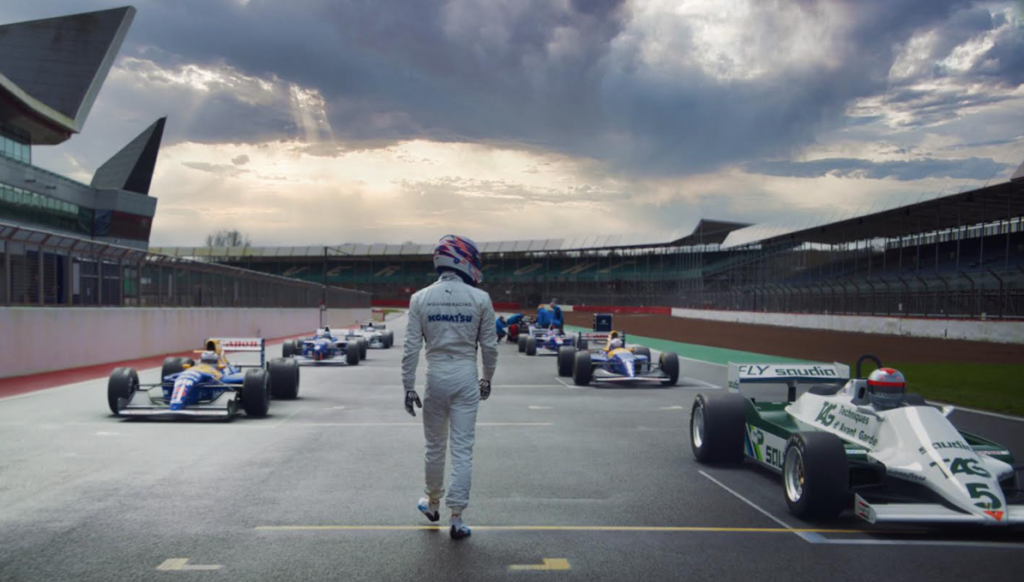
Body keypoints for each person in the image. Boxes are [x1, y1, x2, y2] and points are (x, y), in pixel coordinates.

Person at [402, 234, 499, 540]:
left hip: (436, 378)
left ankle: (432, 505)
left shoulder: (419, 298)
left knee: (434, 448)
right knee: (462, 450)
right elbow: (490, 348)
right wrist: (487, 378)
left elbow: (410, 349)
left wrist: (408, 386)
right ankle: (456, 518)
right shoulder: (480, 298)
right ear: (463, 259)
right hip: (466, 377)